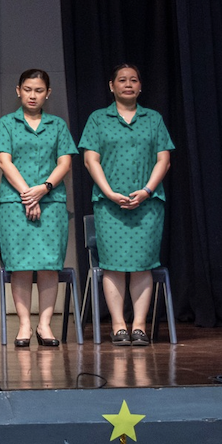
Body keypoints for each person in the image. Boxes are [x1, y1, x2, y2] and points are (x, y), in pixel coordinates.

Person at [79, 64, 173, 346]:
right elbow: (90, 159)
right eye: (122, 80)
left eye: (133, 80)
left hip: (147, 204)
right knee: (113, 265)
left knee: (143, 265)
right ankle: (119, 325)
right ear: (112, 86)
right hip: (109, 205)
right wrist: (108, 192)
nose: (128, 84)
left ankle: (140, 326)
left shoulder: (153, 118)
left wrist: (146, 191)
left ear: (140, 86)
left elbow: (163, 159)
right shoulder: (98, 118)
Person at [0, 69, 77, 347]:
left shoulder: (58, 125)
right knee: (21, 267)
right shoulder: (6, 123)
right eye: (27, 89)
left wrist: (44, 189)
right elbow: (4, 161)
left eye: (39, 90)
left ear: (47, 93)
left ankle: (45, 325)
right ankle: (25, 325)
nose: (32, 95)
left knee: (49, 266)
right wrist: (28, 194)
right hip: (16, 201)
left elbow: (64, 163)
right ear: (18, 90)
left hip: (51, 201)